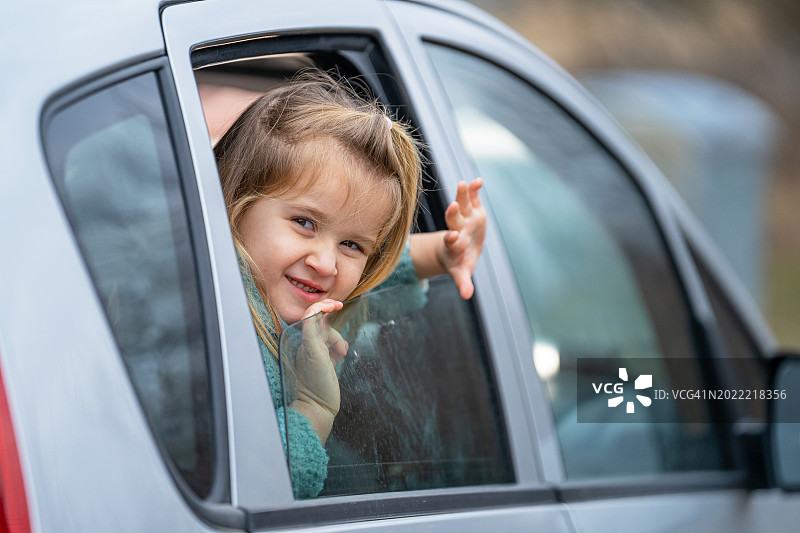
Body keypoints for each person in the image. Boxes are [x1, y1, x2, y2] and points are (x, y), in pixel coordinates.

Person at [214, 71, 486, 498]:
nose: (325, 264)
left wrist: (445, 252)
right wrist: (314, 407)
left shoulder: (285, 289)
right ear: (235, 204)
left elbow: (377, 271)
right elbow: (254, 492)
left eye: (351, 244)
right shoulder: (215, 318)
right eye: (304, 223)